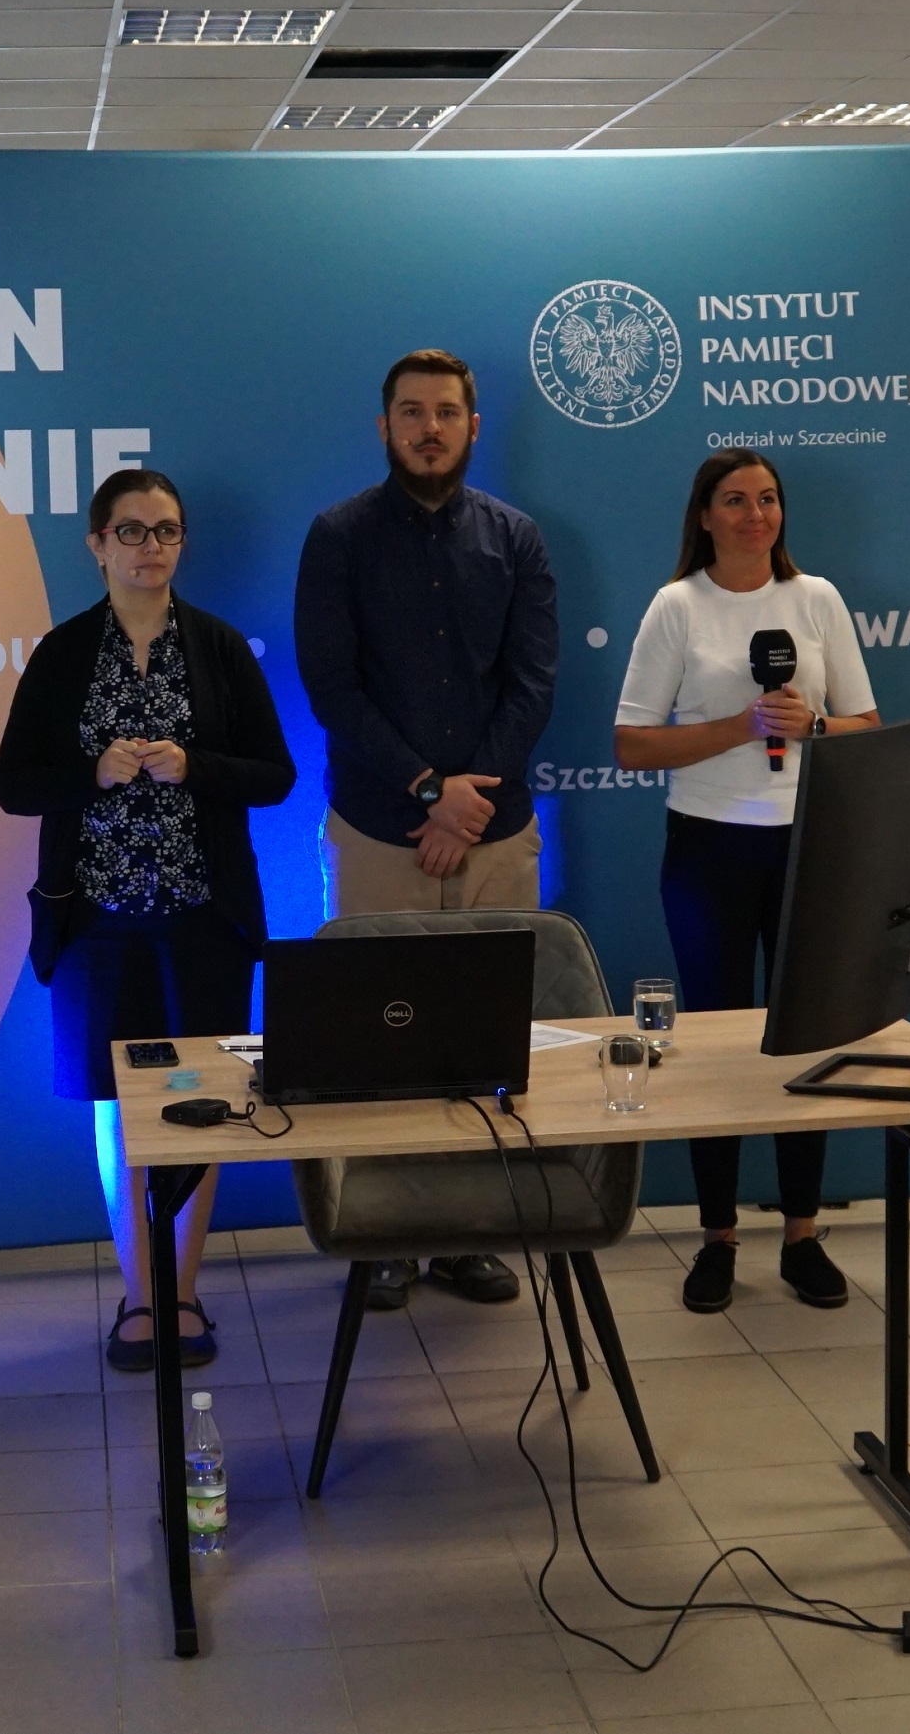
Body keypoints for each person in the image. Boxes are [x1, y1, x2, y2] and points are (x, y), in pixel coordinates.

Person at [0, 469, 293, 1374]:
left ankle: (184, 1290)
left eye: (166, 530)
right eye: (131, 530)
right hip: (95, 924)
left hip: (204, 918)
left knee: (201, 1102)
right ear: (97, 545)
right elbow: (11, 785)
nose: (150, 546)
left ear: (181, 542)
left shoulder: (219, 646)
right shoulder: (63, 654)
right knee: (119, 1107)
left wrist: (194, 766)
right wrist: (94, 772)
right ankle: (139, 1295)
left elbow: (275, 775)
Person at [296, 347, 559, 1313]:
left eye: (446, 411)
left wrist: (467, 801)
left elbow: (533, 683)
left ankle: (466, 1234)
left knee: (486, 1039)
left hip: (495, 832)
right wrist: (425, 790)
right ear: (385, 427)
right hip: (380, 830)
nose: (429, 427)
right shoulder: (338, 537)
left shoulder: (517, 538)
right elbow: (332, 686)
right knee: (379, 1036)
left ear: (472, 426)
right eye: (411, 412)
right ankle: (388, 1240)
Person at [611, 448, 878, 1315]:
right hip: (709, 848)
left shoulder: (817, 598)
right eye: (735, 500)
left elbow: (866, 724)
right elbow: (632, 743)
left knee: (806, 1037)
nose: (755, 514)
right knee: (719, 1041)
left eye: (768, 499)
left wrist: (816, 724)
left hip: (809, 846)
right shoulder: (677, 605)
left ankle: (802, 1233)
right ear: (705, 515)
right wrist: (738, 725)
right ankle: (718, 1236)